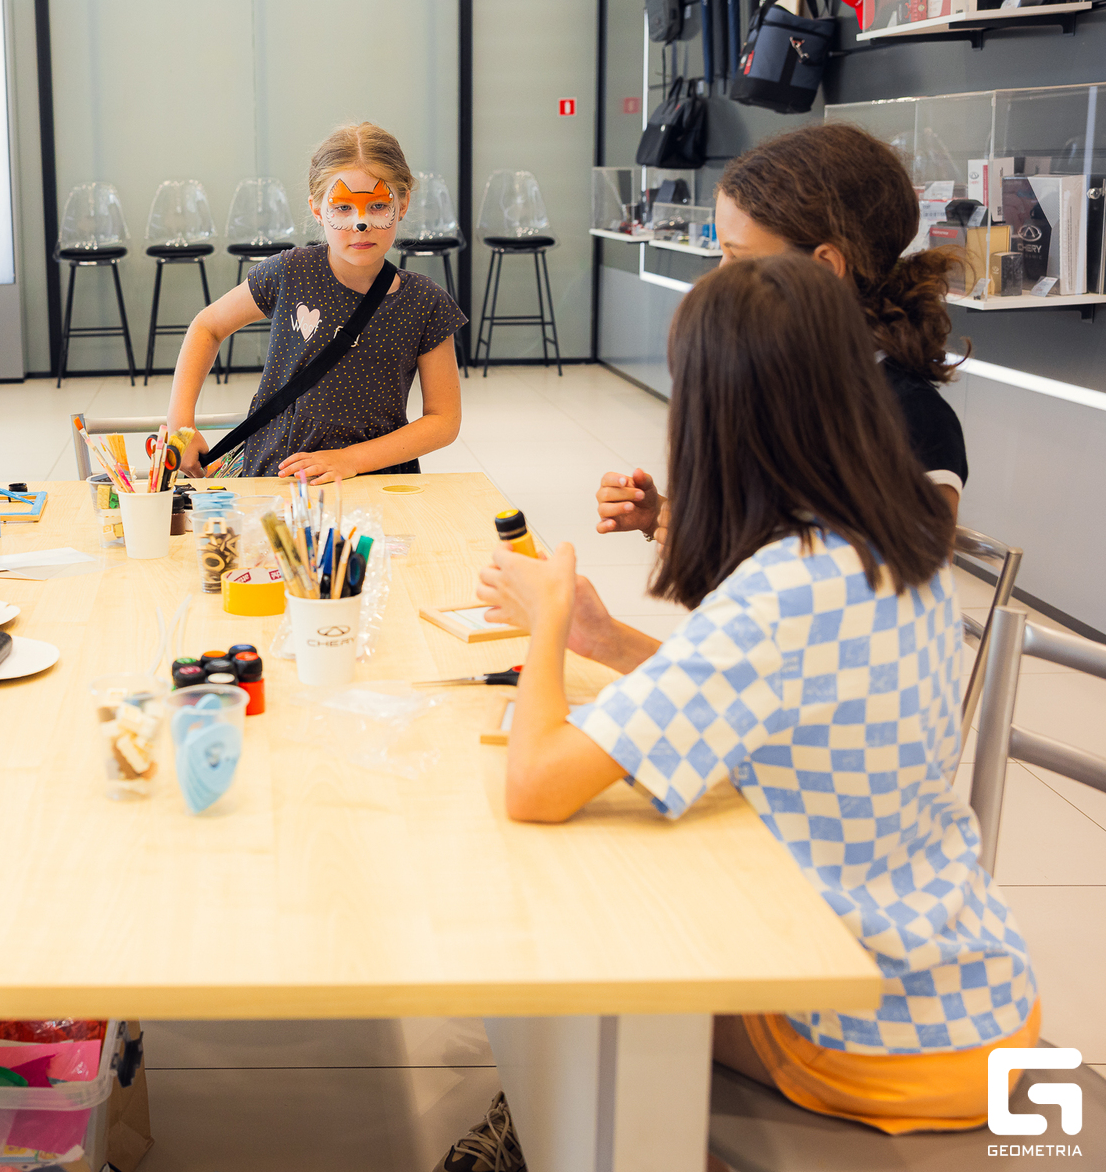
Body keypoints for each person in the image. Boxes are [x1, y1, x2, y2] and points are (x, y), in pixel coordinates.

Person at [475, 255, 1037, 1149]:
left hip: (873, 1033)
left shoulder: (784, 587)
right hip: (985, 996)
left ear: (719, 416)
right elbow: (765, 695)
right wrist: (607, 639)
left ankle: (557, 1143)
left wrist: (547, 616)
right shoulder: (893, 545)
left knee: (578, 944)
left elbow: (536, 781)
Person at [596, 123, 969, 543]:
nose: (721, 276)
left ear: (825, 267)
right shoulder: (775, 378)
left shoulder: (913, 421)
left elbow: (910, 578)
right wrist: (667, 518)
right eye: (722, 253)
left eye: (740, 258)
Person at [167, 122, 464, 480]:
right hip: (276, 475)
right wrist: (180, 425)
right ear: (317, 210)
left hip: (375, 481)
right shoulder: (290, 272)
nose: (361, 223)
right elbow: (207, 326)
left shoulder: (425, 302)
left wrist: (351, 460)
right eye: (343, 208)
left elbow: (444, 420)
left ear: (402, 204)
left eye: (378, 206)